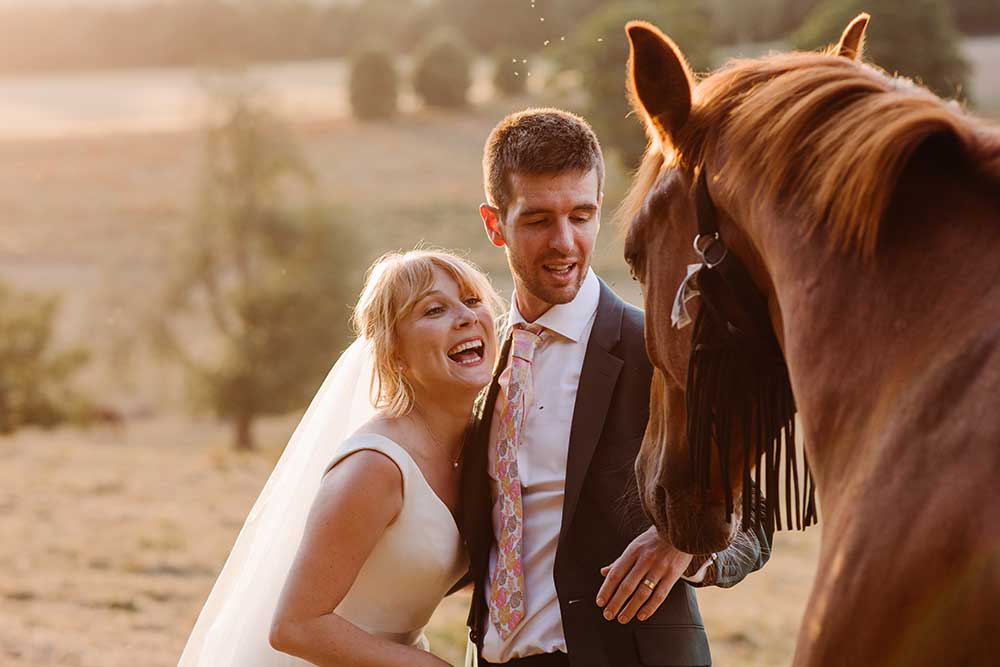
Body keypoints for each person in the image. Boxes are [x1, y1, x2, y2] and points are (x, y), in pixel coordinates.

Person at [461, 108, 772, 667]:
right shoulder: (475, 364)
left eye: (581, 215)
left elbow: (755, 517)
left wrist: (683, 543)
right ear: (493, 224)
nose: (565, 242)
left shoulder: (657, 350)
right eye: (537, 221)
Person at [179, 249, 502, 667]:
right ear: (395, 354)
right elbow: (295, 627)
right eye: (435, 309)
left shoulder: (478, 448)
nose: (466, 317)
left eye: (473, 300)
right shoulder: (376, 466)